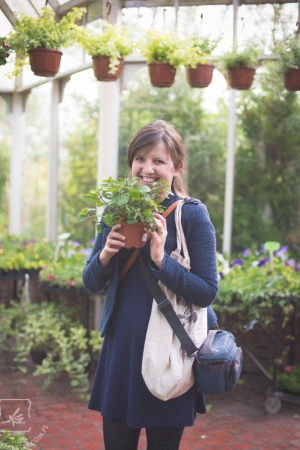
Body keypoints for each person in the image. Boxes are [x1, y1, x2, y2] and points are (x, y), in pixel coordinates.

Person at [82, 120, 219, 450]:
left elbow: (206, 291)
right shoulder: (117, 209)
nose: (147, 168)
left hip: (169, 352)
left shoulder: (191, 216)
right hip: (121, 350)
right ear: (131, 163)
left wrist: (161, 262)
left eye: (158, 160)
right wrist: (104, 256)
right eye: (140, 158)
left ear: (177, 167)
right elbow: (90, 283)